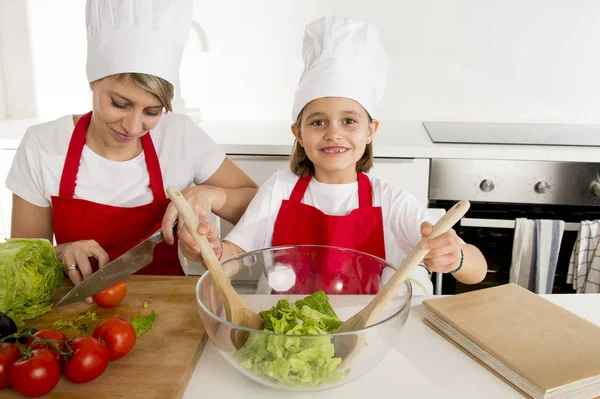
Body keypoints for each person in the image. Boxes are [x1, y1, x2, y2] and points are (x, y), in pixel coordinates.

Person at [178, 15, 487, 295]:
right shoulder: (278, 190)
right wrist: (211, 251)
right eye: (318, 122)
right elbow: (233, 258)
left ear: (370, 130)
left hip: (366, 331)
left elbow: (477, 271)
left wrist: (455, 257)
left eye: (349, 121)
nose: (333, 133)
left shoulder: (391, 201)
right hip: (287, 334)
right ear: (298, 132)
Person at [5, 0, 258, 295]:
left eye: (151, 111)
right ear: (93, 83)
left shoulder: (180, 135)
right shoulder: (42, 146)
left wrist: (211, 195)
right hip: (77, 310)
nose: (133, 127)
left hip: (168, 306)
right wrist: (61, 253)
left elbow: (259, 207)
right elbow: (21, 262)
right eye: (120, 104)